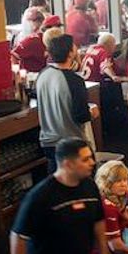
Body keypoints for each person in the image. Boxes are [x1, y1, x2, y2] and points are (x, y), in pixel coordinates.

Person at [10, 139, 113, 254]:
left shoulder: (90, 186)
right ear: (68, 164)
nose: (92, 163)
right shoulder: (40, 196)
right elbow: (18, 237)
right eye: (85, 159)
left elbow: (98, 220)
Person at [36, 34, 97, 172]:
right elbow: (81, 115)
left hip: (48, 143)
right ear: (70, 53)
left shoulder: (43, 75)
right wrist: (92, 113)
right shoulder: (75, 81)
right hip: (71, 145)